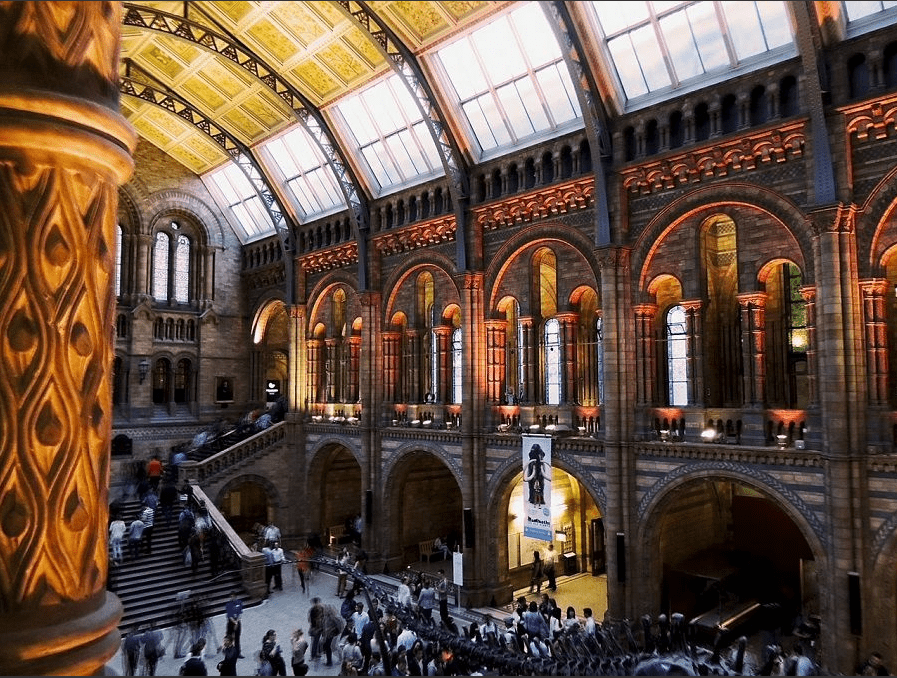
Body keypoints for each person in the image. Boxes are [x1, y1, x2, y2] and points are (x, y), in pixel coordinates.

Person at [225, 591, 244, 658]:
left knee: (237, 638)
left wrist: (237, 622)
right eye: (231, 596)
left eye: (233, 596)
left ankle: (238, 653)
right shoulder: (228, 604)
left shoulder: (239, 602)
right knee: (229, 638)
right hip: (231, 622)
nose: (232, 597)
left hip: (237, 621)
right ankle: (228, 653)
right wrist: (234, 622)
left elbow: (240, 613)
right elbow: (229, 615)